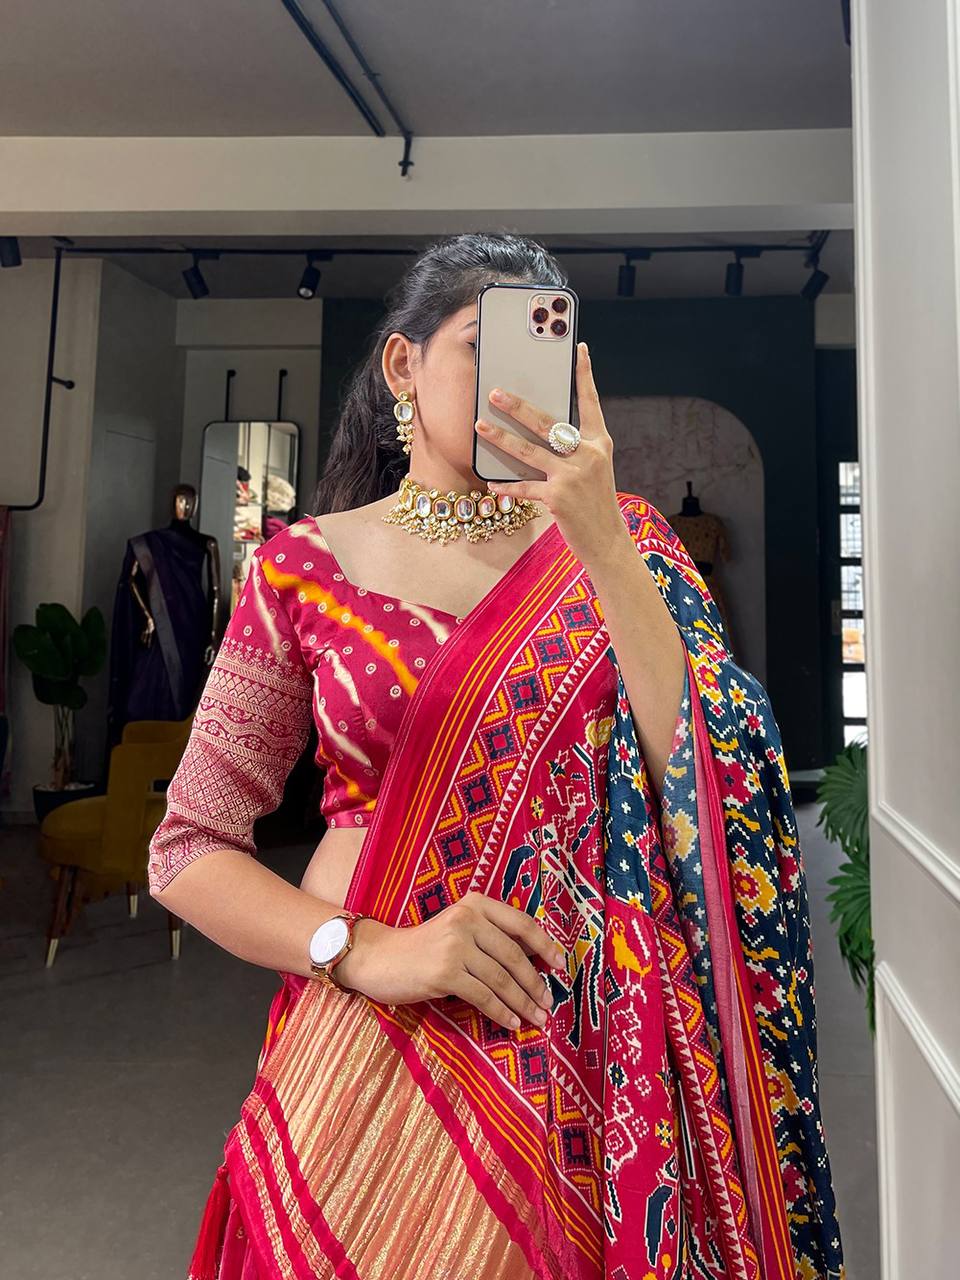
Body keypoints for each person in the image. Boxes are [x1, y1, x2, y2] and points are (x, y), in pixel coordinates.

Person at [147, 233, 845, 1280]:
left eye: (545, 353)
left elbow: (711, 779)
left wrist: (600, 537)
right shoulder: (303, 567)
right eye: (484, 345)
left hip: (589, 1056)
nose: (516, 382)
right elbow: (188, 846)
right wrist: (368, 951)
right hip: (370, 1046)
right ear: (404, 364)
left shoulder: (633, 547)